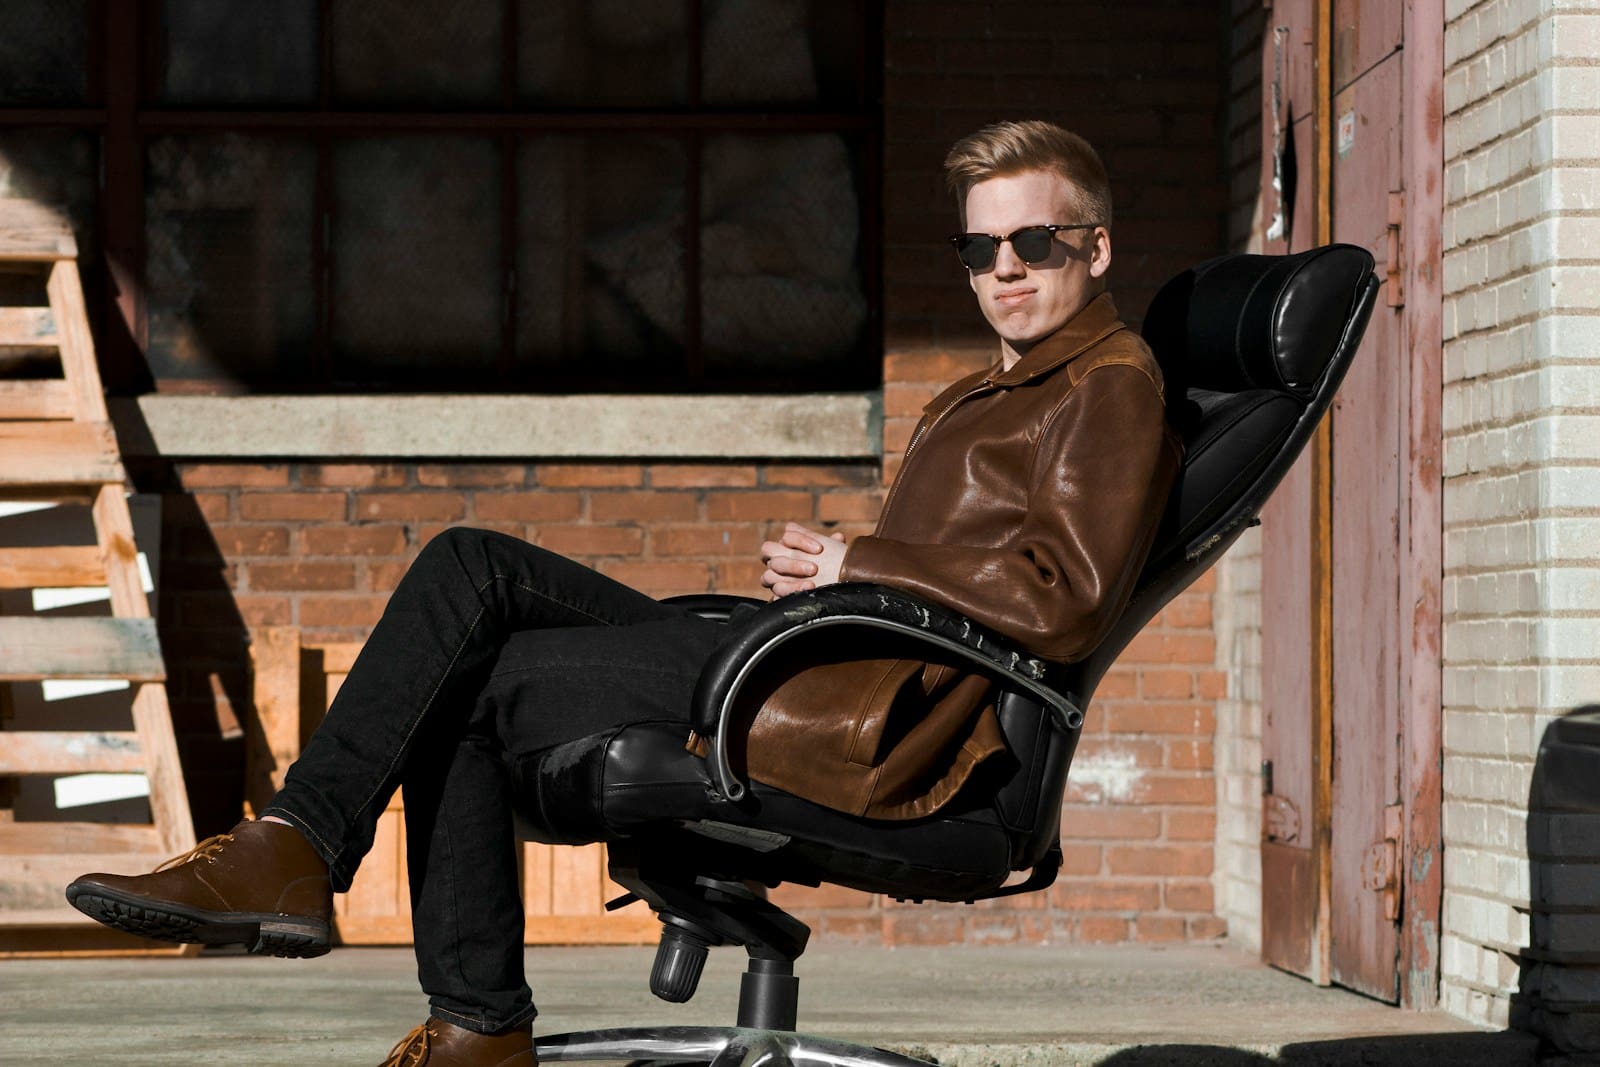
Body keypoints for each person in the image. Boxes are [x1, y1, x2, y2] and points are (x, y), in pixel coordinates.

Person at [66, 120, 1181, 1067]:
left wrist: (856, 564)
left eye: (1034, 242)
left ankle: (440, 990)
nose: (1004, 268)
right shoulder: (1005, 386)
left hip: (868, 718)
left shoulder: (1109, 385)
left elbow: (1067, 596)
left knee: (467, 677)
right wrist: (841, 580)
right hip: (814, 662)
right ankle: (311, 860)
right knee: (470, 568)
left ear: (1096, 246)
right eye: (980, 247)